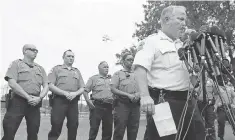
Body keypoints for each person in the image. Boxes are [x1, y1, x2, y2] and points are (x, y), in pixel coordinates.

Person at [133, 5, 203, 140]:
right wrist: (145, 96)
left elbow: (191, 75)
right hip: (164, 101)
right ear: (166, 19)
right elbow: (140, 68)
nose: (184, 24)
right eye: (181, 19)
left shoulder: (182, 45)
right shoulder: (152, 41)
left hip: (187, 101)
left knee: (197, 135)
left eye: (185, 20)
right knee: (164, 138)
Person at [2, 44, 49, 140]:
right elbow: (12, 83)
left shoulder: (40, 68)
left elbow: (46, 85)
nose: (35, 52)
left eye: (36, 50)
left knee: (33, 133)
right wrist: (27, 97)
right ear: (24, 51)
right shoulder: (16, 64)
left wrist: (40, 98)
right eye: (32, 50)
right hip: (18, 101)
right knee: (9, 131)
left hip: (35, 103)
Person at [48, 50, 85, 140]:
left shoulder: (77, 71)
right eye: (68, 56)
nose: (71, 58)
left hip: (73, 101)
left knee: (73, 125)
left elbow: (82, 88)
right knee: (56, 124)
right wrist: (64, 93)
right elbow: (50, 85)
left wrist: (75, 93)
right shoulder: (56, 69)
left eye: (72, 56)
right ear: (63, 57)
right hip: (59, 100)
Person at [111, 53, 140, 140]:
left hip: (135, 106)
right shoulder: (118, 74)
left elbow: (144, 87)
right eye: (128, 59)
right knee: (119, 131)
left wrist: (138, 94)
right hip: (122, 105)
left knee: (133, 131)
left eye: (132, 60)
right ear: (123, 61)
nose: (131, 61)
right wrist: (128, 95)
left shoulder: (138, 74)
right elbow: (113, 89)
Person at [83, 61, 113, 140]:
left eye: (107, 67)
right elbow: (85, 91)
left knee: (108, 131)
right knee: (94, 129)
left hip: (109, 107)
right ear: (99, 68)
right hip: (97, 106)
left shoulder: (112, 79)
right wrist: (88, 101)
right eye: (104, 67)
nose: (107, 68)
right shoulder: (93, 78)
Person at [214, 75, 235, 140]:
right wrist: (217, 104)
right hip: (221, 108)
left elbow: (233, 96)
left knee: (233, 121)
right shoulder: (216, 88)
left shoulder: (229, 88)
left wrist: (233, 104)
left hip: (229, 107)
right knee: (221, 123)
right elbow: (215, 97)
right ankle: (221, 137)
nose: (224, 81)